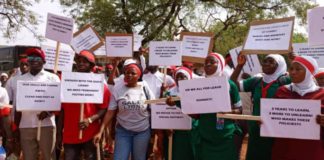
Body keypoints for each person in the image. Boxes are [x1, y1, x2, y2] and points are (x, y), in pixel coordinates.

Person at [230, 53, 290, 160]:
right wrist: (239, 66)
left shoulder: (286, 81)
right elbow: (232, 85)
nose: (266, 64)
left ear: (280, 65)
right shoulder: (257, 80)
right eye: (265, 61)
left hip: (276, 132)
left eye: (271, 62)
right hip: (255, 130)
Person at [56, 50, 111, 160]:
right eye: (79, 61)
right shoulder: (66, 82)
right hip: (69, 134)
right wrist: (58, 133)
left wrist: (90, 120)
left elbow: (104, 108)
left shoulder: (98, 84)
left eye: (85, 61)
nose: (81, 63)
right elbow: (62, 110)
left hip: (90, 134)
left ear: (91, 65)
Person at [94, 62, 155, 160]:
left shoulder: (145, 89)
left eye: (133, 73)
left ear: (139, 75)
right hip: (123, 131)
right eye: (127, 73)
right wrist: (100, 132)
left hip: (142, 131)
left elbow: (154, 107)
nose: (129, 75)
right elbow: (110, 112)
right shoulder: (117, 89)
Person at [272, 56, 324, 160]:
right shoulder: (282, 91)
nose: (293, 72)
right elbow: (273, 118)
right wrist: (266, 121)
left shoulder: (322, 94)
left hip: (312, 151)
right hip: (284, 150)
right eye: (291, 69)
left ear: (309, 72)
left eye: (298, 69)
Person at [15, 48, 59, 160]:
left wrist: (48, 112)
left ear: (43, 61)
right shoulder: (20, 79)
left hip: (46, 125)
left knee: (48, 157)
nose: (33, 60)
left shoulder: (53, 78)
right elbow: (17, 105)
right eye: (30, 58)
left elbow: (58, 101)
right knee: (29, 157)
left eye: (37, 58)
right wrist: (16, 127)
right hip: (26, 126)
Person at [197, 52, 242, 160]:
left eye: (212, 62)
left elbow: (240, 110)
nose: (207, 64)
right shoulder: (198, 85)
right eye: (206, 62)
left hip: (225, 136)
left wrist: (227, 112)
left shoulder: (230, 85)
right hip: (205, 136)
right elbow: (194, 112)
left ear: (221, 64)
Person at [163, 66, 199, 160]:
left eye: (183, 77)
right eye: (178, 77)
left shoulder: (195, 93)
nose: (180, 79)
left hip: (191, 131)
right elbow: (163, 113)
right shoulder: (169, 94)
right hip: (175, 133)